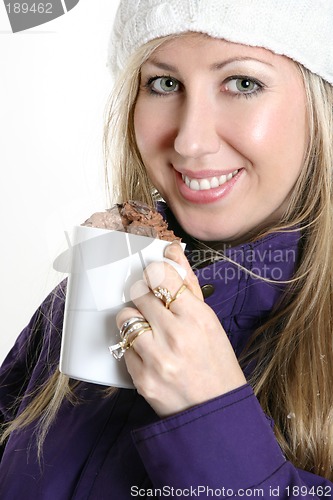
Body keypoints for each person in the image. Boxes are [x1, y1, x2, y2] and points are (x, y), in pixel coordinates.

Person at [1, 0, 333, 497]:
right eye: (164, 83)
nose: (190, 141)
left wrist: (208, 414)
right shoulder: (88, 290)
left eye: (243, 83)